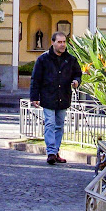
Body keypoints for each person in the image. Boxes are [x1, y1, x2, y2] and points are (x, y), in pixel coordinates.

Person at [30, 31, 82, 165]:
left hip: (63, 96)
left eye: (64, 42)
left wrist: (76, 81)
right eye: (59, 42)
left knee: (59, 126)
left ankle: (55, 151)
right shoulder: (43, 59)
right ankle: (51, 152)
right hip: (48, 96)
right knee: (50, 124)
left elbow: (78, 74)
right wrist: (34, 97)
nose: (62, 44)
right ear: (53, 42)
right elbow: (36, 79)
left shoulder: (71, 59)